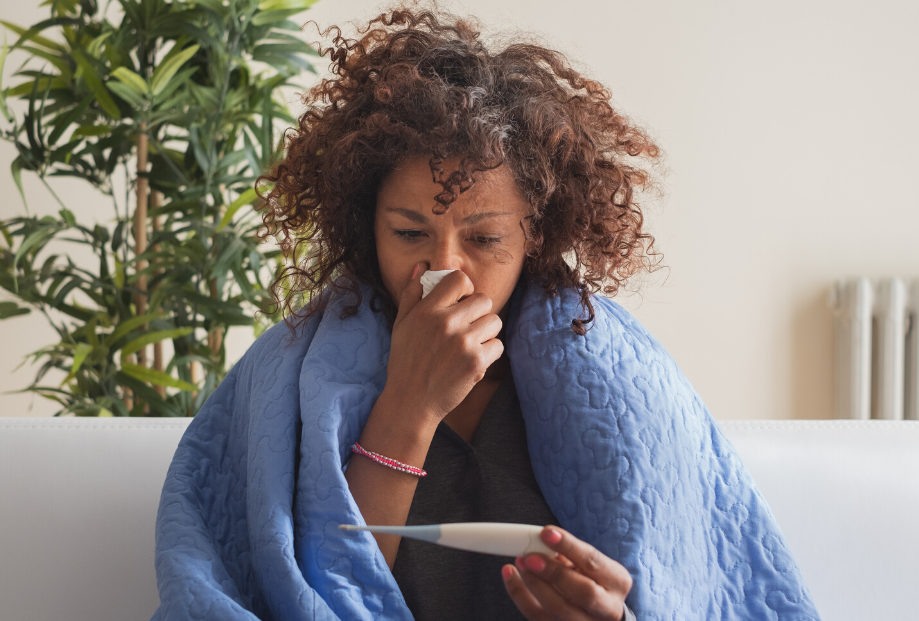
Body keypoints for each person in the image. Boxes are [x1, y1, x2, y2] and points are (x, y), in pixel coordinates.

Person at [152, 3, 820, 620]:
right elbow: (304, 594)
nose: (443, 268)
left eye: (484, 239)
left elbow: (690, 589)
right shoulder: (290, 371)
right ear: (365, 226)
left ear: (536, 233)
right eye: (409, 233)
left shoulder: (623, 379)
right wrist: (407, 406)